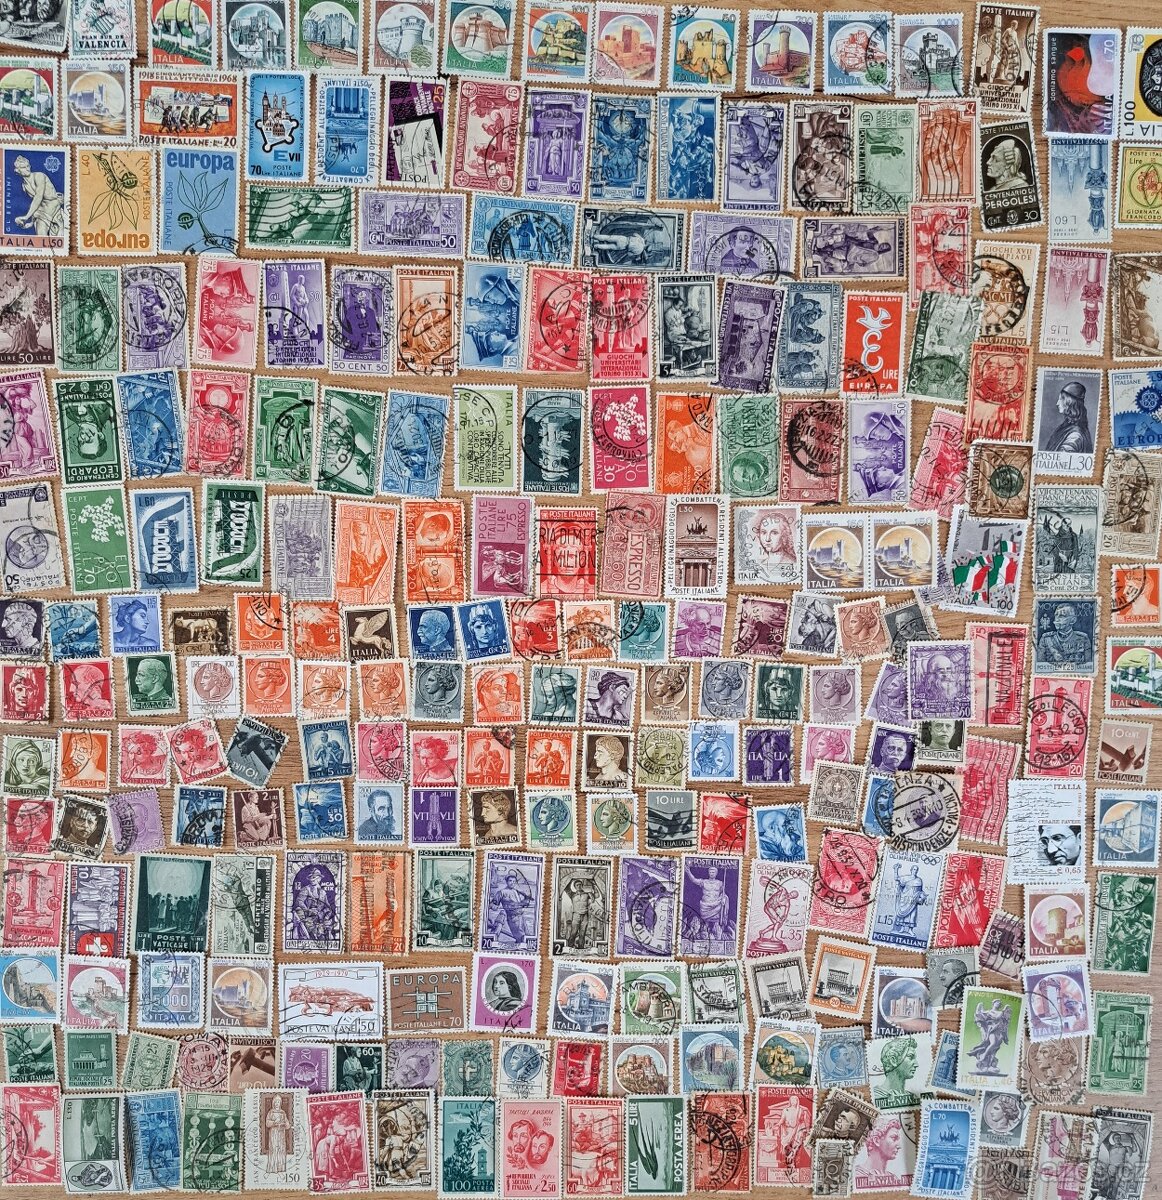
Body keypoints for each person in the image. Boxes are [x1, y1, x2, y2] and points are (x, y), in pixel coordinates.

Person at [1045, 380, 1093, 454]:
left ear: (1070, 402)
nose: (1057, 403)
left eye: (1061, 399)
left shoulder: (1075, 435)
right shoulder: (1067, 426)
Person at [1038, 603, 1091, 667]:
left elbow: (1088, 665)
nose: (1057, 619)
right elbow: (1040, 664)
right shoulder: (1046, 639)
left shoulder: (1083, 638)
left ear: (1073, 620)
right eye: (1056, 615)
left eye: (1062, 616)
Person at [264, 1094, 289, 1174]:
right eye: (276, 1102)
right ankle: (273, 1168)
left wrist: (285, 1124)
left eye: (278, 1102)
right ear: (273, 1103)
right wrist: (274, 1122)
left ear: (280, 1103)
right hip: (274, 1133)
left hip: (281, 1133)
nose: (277, 1103)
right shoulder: (271, 1112)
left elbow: (287, 1124)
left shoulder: (283, 1112)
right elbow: (267, 1123)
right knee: (274, 1148)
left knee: (281, 1149)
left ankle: (280, 1168)